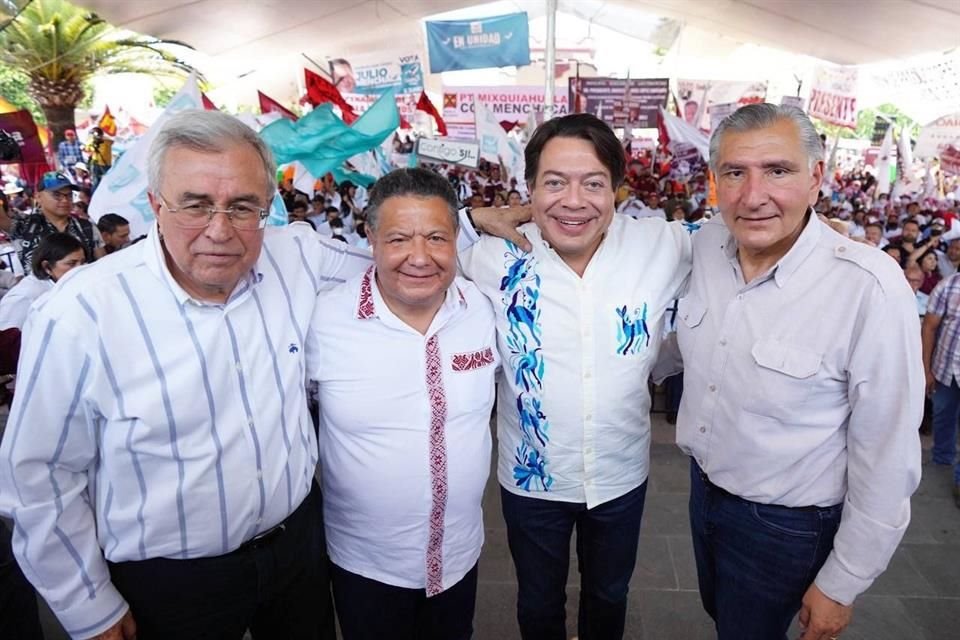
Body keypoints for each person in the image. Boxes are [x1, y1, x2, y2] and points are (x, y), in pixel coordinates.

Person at [0, 109, 376, 640]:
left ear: (266, 208)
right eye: (195, 205)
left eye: (243, 207)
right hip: (168, 587)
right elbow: (38, 473)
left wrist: (475, 226)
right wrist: (88, 605)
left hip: (298, 554)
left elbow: (400, 265)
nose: (220, 231)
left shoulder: (296, 256)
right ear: (155, 204)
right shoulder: (81, 310)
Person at [676, 103, 921, 640]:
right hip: (703, 495)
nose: (753, 194)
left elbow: (887, 454)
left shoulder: (868, 287)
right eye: (735, 173)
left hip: (787, 526)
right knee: (728, 623)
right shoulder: (705, 248)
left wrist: (843, 581)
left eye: (778, 171)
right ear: (716, 182)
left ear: (816, 177)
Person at [459, 113, 692, 639]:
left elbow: (744, 238)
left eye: (593, 184)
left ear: (617, 190)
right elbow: (401, 244)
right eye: (554, 183)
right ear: (529, 188)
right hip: (531, 478)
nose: (573, 201)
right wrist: (473, 216)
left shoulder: (662, 245)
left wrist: (820, 232)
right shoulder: (490, 256)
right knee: (538, 602)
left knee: (609, 596)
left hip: (620, 473)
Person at [307, 168, 498, 640]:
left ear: (457, 237)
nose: (419, 257)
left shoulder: (484, 308)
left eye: (436, 237)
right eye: (398, 238)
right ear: (370, 238)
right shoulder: (322, 319)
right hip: (365, 567)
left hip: (458, 558)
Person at [922, 270, 960, 508]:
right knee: (943, 416)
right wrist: (926, 369)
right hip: (947, 368)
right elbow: (928, 328)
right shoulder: (948, 286)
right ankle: (941, 458)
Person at [12, 171, 103, 268]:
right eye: (57, 195)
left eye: (69, 195)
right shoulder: (23, 227)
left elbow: (102, 265)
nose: (65, 200)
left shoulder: (87, 227)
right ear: (38, 197)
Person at [0, 232, 85, 330]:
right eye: (71, 263)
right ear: (47, 267)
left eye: (82, 262)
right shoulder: (26, 295)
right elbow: (7, 338)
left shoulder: (67, 285)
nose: (80, 268)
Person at [85, 126, 114, 191]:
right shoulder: (93, 141)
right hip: (96, 163)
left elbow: (102, 152)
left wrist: (94, 147)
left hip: (104, 164)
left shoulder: (105, 142)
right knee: (95, 182)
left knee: (109, 181)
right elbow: (87, 149)